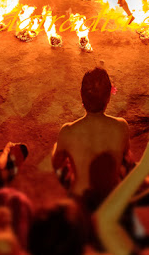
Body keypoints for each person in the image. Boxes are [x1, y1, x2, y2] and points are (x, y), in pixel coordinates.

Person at [52, 67, 132, 211]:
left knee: (60, 152)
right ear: (108, 97)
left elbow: (57, 163)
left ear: (82, 96)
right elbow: (126, 155)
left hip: (80, 200)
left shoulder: (67, 131)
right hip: (111, 198)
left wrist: (58, 148)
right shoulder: (121, 126)